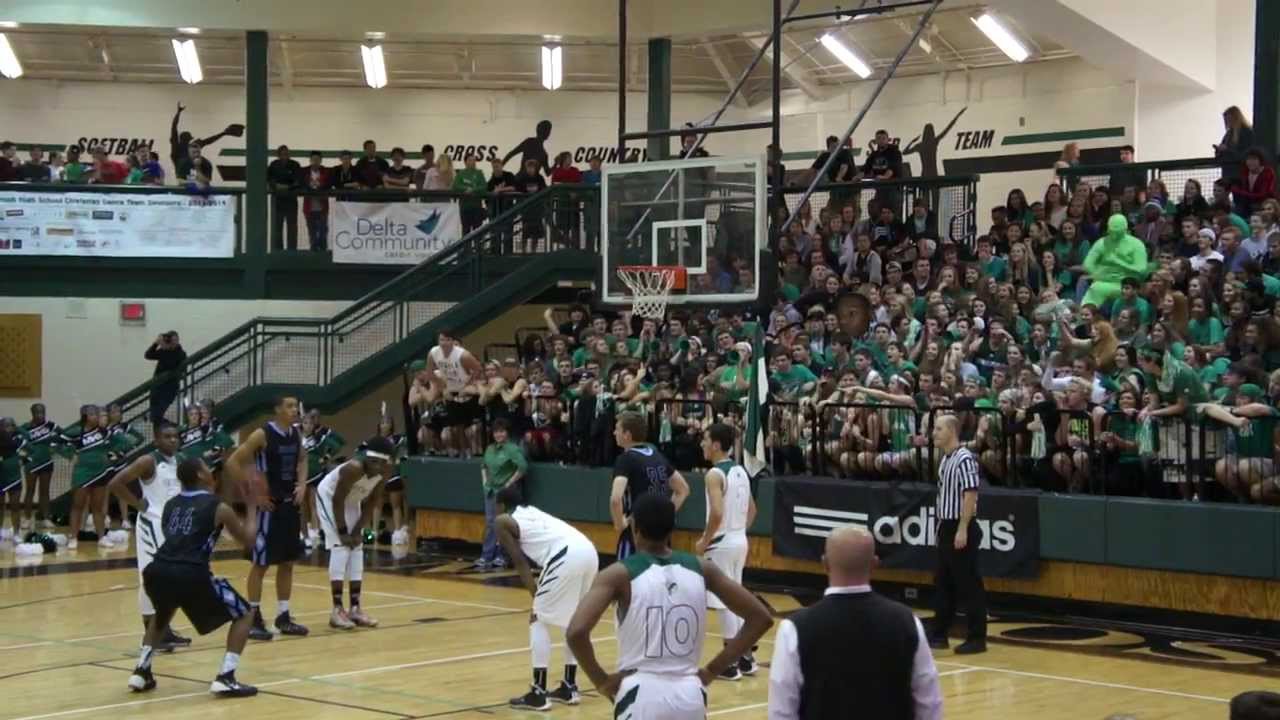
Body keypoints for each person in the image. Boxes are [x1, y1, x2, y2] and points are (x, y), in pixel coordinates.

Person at [566, 494, 773, 719]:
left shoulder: (618, 574)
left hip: (641, 693)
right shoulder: (703, 569)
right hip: (690, 694)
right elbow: (761, 618)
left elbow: (576, 632)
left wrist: (602, 682)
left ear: (635, 526)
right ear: (671, 528)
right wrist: (713, 670)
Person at [768, 526, 943, 720]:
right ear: (874, 564)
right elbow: (929, 704)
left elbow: (782, 713)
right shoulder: (908, 623)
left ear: (825, 564)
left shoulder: (793, 629)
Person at [127, 456, 261, 697]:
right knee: (245, 613)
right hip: (189, 572)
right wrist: (251, 507)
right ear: (201, 475)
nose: (212, 470)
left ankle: (141, 671)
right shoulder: (219, 507)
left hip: (157, 570)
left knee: (163, 613)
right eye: (207, 467)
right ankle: (226, 677)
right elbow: (248, 542)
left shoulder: (171, 505)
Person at [493, 484, 599, 710]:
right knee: (573, 622)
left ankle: (539, 693)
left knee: (538, 618)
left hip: (566, 556)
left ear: (502, 505)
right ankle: (569, 687)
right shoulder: (533, 512)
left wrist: (536, 599)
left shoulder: (503, 520)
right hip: (589, 552)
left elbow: (520, 562)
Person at [223, 395, 310, 641]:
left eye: (296, 406)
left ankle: (283, 616)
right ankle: (253, 617)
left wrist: (302, 484)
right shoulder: (261, 435)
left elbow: (303, 458)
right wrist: (254, 494)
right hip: (267, 509)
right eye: (290, 406)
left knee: (288, 561)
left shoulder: (295, 434)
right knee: (261, 563)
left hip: (289, 506)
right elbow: (232, 463)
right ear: (277, 409)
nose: (294, 410)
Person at [107, 422, 192, 652]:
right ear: (156, 440)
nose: (172, 440)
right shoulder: (148, 461)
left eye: (175, 436)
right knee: (151, 578)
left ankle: (162, 629)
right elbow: (116, 483)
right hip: (151, 524)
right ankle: (152, 630)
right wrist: (138, 504)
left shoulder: (182, 459)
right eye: (167, 436)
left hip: (173, 526)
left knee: (169, 579)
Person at [694, 423, 759, 679]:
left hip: (721, 542)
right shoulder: (741, 471)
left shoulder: (714, 474)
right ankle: (745, 658)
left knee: (723, 602)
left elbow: (718, 512)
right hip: (739, 539)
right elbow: (752, 510)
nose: (702, 444)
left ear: (716, 445)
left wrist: (704, 540)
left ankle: (729, 663)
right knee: (736, 599)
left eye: (705, 439)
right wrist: (738, 533)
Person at [315, 435, 396, 630]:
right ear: (366, 458)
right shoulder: (353, 468)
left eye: (381, 463)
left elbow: (372, 501)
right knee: (341, 546)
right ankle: (337, 610)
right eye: (373, 462)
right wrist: (343, 531)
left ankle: (355, 608)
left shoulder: (385, 471)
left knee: (357, 547)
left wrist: (358, 530)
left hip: (352, 501)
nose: (377, 466)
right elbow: (337, 500)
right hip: (329, 496)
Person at [926, 414, 987, 654]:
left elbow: (970, 493)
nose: (934, 433)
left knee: (969, 584)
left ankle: (977, 638)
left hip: (961, 526)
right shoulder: (945, 459)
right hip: (946, 526)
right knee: (944, 582)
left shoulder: (964, 458)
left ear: (951, 431)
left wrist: (962, 528)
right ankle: (939, 633)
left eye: (938, 429)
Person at [610, 411, 690, 559]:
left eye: (617, 429)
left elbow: (616, 498)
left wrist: (619, 524)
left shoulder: (626, 459)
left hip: (636, 532)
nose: (614, 432)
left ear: (627, 434)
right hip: (660, 535)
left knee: (629, 579)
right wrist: (666, 513)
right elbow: (683, 489)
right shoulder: (657, 456)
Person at [58, 405, 128, 550]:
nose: (96, 416)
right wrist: (70, 455)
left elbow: (125, 442)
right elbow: (56, 443)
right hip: (82, 473)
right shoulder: (76, 432)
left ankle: (101, 537)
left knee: (97, 507)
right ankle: (73, 537)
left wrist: (111, 453)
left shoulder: (105, 432)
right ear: (84, 416)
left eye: (97, 414)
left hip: (100, 472)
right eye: (92, 414)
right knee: (77, 506)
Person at [422, 331, 484, 458]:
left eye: (447, 340)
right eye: (441, 340)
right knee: (457, 426)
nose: (444, 343)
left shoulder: (464, 355)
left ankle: (476, 453)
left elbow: (478, 369)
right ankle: (463, 452)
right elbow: (429, 373)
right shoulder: (434, 353)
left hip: (467, 390)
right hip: (451, 390)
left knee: (470, 425)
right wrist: (443, 387)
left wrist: (467, 385)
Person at [477, 418, 527, 571]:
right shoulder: (490, 449)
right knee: (490, 523)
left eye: (502, 431)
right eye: (496, 432)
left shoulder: (512, 449)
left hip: (505, 493)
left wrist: (509, 483)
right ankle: (486, 556)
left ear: (507, 433)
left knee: (504, 524)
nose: (499, 435)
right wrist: (485, 482)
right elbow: (483, 466)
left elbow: (523, 467)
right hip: (491, 491)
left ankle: (502, 556)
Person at [1082, 214, 1150, 308]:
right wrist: (1096, 274)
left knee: (1122, 291)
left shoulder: (1136, 244)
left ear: (1125, 229)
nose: (1114, 235)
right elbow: (1088, 263)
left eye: (1117, 232)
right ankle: (1086, 315)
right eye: (1111, 231)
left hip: (1125, 283)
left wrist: (1119, 262)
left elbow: (1141, 269)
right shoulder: (1102, 242)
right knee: (1094, 289)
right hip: (1103, 280)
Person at [301, 409, 345, 550]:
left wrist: (325, 458)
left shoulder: (321, 436)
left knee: (314, 503)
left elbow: (337, 444)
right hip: (300, 474)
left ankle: (315, 531)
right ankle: (304, 533)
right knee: (301, 506)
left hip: (315, 472)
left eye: (313, 419)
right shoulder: (296, 436)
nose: (310, 423)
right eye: (307, 421)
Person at [18, 403, 61, 531]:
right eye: (37, 412)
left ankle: (46, 518)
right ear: (32, 413)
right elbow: (18, 443)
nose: (40, 415)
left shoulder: (50, 426)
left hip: (46, 462)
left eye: (42, 412)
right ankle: (26, 518)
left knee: (45, 491)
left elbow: (63, 436)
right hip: (31, 463)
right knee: (30, 491)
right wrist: (24, 456)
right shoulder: (25, 428)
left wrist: (54, 446)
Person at [145, 331, 187, 426]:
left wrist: (166, 348)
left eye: (175, 340)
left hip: (169, 389)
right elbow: (148, 355)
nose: (172, 342)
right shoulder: (164, 351)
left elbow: (172, 365)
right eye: (170, 340)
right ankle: (161, 435)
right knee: (154, 417)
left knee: (158, 415)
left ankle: (173, 428)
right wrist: (156, 343)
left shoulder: (181, 353)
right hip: (157, 387)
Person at [0, 418, 25, 544]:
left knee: (15, 506)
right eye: (5, 426)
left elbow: (29, 439)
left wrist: (25, 460)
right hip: (1, 479)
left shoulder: (18, 440)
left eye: (10, 426)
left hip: (15, 478)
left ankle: (16, 533)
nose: (7, 429)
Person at [301, 150, 331, 251]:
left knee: (323, 231)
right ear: (310, 160)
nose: (315, 162)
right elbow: (301, 184)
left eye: (318, 160)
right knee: (312, 231)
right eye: (314, 160)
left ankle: (323, 250)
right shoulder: (304, 171)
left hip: (322, 206)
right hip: (309, 206)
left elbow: (329, 184)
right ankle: (313, 251)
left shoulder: (326, 172)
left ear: (321, 161)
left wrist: (320, 186)